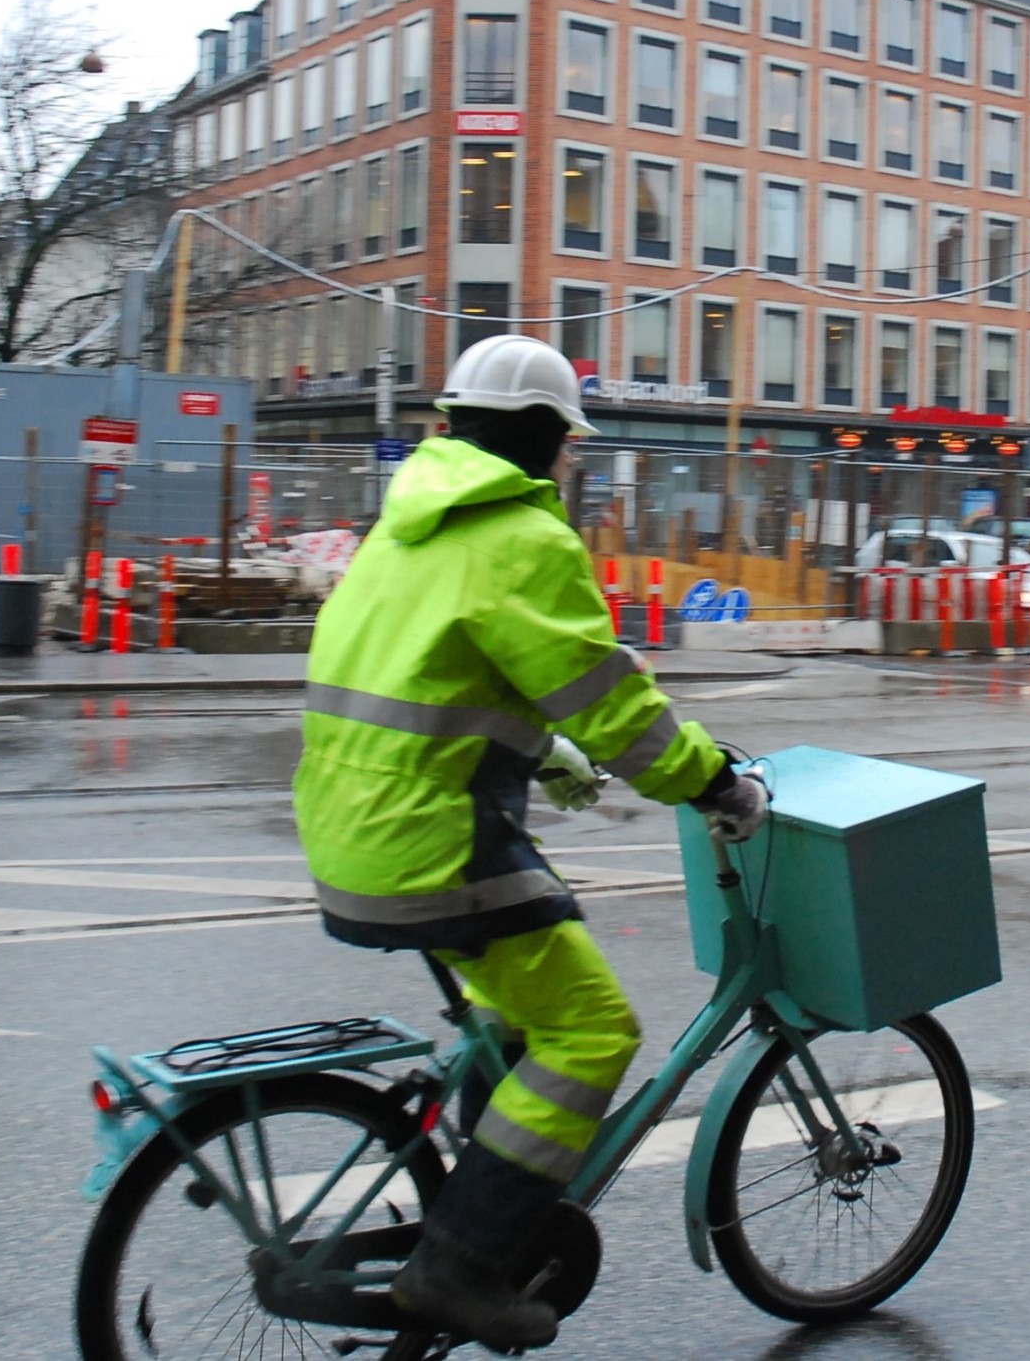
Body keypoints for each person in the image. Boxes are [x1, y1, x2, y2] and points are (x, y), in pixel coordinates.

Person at [295, 334, 769, 1351]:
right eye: (564, 440)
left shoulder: (408, 521)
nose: (566, 460)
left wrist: (537, 744)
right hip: (432, 841)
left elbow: (440, 673)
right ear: (544, 436)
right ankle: (460, 1265)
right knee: (592, 1028)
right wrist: (714, 783)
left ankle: (491, 1186)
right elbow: (615, 703)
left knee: (514, 1008)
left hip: (348, 824)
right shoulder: (518, 534)